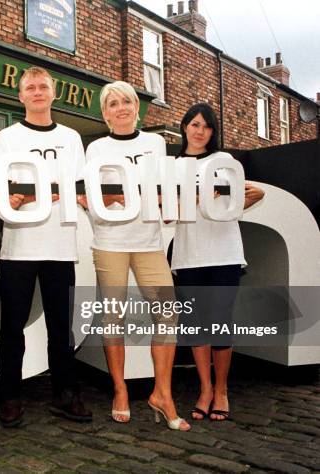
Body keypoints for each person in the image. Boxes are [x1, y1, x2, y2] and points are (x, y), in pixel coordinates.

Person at [82, 81, 190, 430]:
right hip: (110, 242)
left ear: (136, 108)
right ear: (105, 113)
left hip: (148, 243)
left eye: (126, 101)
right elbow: (89, 197)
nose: (121, 108)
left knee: (168, 315)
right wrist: (107, 200)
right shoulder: (96, 148)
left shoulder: (155, 143)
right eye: (113, 103)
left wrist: (165, 205)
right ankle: (120, 390)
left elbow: (162, 191)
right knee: (113, 320)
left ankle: (162, 394)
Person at [0, 66, 92, 427]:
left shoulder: (71, 138)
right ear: (20, 96)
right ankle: (10, 395)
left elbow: (80, 188)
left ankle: (66, 394)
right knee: (12, 326)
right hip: (19, 247)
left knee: (60, 326)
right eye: (30, 87)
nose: (37, 92)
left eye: (43, 87)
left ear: (54, 94)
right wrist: (18, 198)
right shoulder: (5, 139)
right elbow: (1, 192)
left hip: (60, 245)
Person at [171, 103, 265, 422]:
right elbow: (169, 211)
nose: (200, 131)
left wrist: (230, 209)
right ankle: (205, 389)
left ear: (213, 132)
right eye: (195, 124)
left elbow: (255, 193)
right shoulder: (172, 166)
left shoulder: (223, 161)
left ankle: (222, 390)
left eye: (207, 126)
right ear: (185, 126)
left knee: (220, 321)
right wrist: (198, 199)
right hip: (188, 256)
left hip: (224, 254)